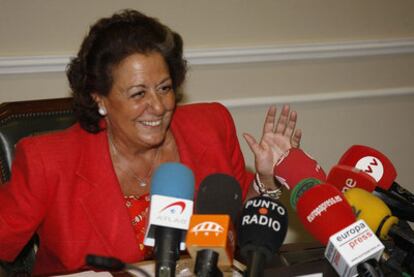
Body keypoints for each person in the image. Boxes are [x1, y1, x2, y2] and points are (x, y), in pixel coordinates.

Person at [0, 9, 301, 275]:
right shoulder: (48, 161)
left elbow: (236, 216)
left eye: (164, 88)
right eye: (138, 94)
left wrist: (265, 181)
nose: (158, 106)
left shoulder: (211, 126)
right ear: (100, 98)